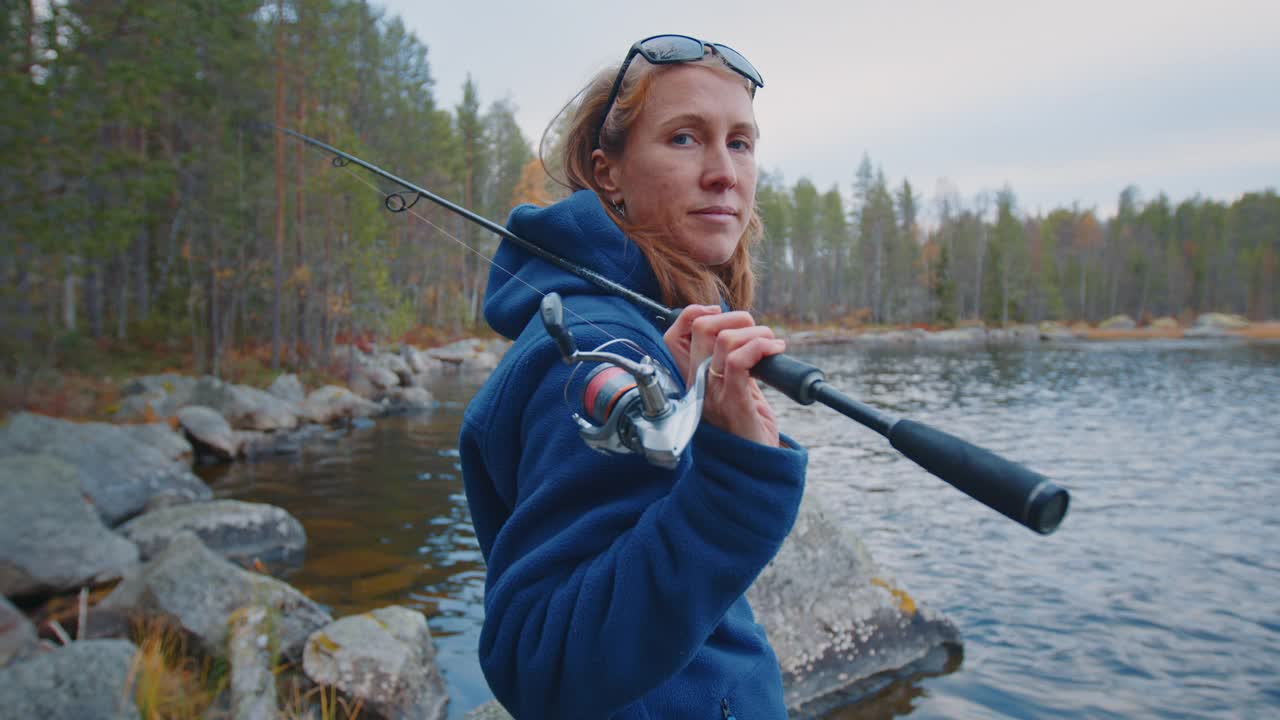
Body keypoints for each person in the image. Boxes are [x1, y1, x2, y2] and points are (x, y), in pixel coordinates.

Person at [459, 34, 807, 718]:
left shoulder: (650, 326)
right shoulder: (596, 346)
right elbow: (542, 661)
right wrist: (736, 483)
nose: (724, 172)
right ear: (607, 172)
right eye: (685, 138)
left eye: (741, 143)